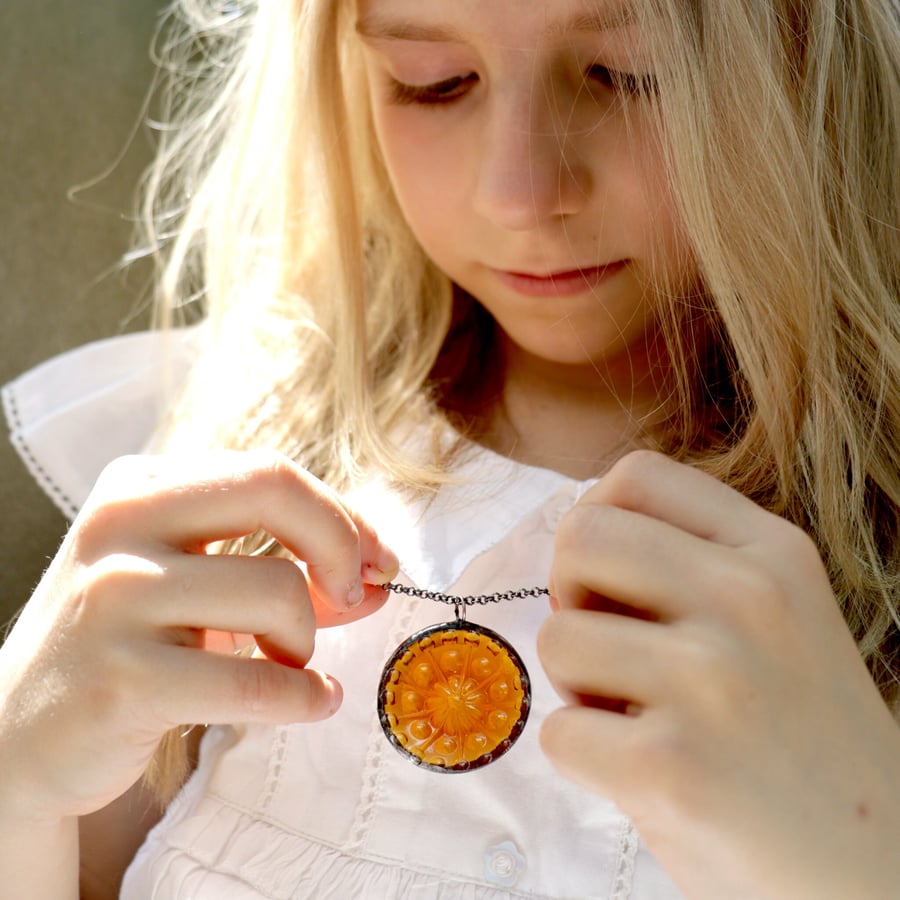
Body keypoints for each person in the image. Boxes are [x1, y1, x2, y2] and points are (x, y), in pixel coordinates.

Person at [1, 0, 898, 896]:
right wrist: (17, 779)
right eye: (434, 83)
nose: (520, 193)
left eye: (632, 73)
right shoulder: (226, 454)